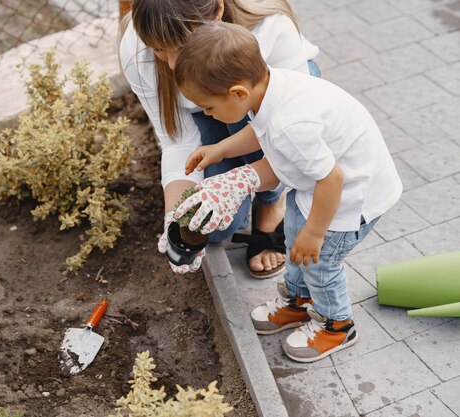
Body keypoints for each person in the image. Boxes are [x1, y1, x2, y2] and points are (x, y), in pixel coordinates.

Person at [173, 22, 402, 362]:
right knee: (298, 245)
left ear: (237, 93)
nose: (208, 114)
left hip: (352, 198)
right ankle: (299, 300)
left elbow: (332, 180)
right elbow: (260, 131)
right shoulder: (269, 87)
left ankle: (337, 325)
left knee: (320, 260)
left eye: (208, 107)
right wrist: (221, 149)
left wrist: (314, 232)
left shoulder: (291, 125)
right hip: (320, 188)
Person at [118, 0, 321, 277]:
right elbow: (177, 141)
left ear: (218, 12)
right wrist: (176, 217)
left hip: (275, 107)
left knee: (266, 147)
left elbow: (294, 140)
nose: (174, 63)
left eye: (184, 45)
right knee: (213, 226)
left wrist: (240, 181)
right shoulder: (137, 44)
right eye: (160, 50)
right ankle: (254, 186)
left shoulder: (269, 27)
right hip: (210, 112)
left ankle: (272, 204)